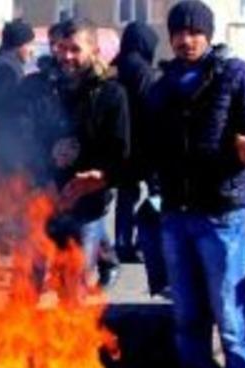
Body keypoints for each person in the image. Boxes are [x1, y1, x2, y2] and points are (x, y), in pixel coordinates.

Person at [147, 0, 245, 368]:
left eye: (194, 32)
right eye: (179, 32)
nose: (186, 39)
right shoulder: (161, 87)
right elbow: (146, 146)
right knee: (187, 320)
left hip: (223, 217)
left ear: (208, 33)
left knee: (232, 321)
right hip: (176, 216)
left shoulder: (237, 74)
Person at [19, 18, 129, 293]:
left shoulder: (111, 94)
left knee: (72, 292)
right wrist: (44, 172)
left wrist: (100, 176)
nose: (66, 56)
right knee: (26, 289)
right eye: (61, 48)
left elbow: (120, 151)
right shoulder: (37, 88)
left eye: (75, 49)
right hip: (40, 203)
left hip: (86, 208)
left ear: (93, 50)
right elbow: (22, 139)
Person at [110, 21, 159, 262]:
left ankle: (122, 243)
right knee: (157, 192)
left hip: (122, 143)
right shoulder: (144, 72)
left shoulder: (117, 66)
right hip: (146, 142)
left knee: (126, 195)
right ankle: (145, 241)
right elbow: (150, 108)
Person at [0, 18, 35, 177]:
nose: (32, 50)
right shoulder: (6, 70)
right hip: (3, 150)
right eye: (29, 44)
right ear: (19, 45)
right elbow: (6, 114)